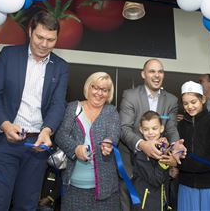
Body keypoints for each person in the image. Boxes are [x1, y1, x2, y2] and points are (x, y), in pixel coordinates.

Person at [0, 10, 69, 210]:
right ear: (30, 31)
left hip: (37, 146)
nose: (44, 44)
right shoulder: (8, 55)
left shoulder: (61, 67)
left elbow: (58, 104)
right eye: (40, 37)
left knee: (28, 205)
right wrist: (5, 125)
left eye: (50, 40)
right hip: (4, 141)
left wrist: (47, 131)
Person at [119, 58, 186, 211]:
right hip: (131, 167)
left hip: (159, 170)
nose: (157, 75)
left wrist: (176, 150)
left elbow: (171, 129)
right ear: (143, 74)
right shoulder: (130, 95)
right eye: (152, 71)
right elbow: (124, 128)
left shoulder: (171, 100)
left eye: (160, 71)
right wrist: (143, 145)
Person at [55, 72, 121, 211]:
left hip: (105, 192)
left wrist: (108, 143)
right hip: (73, 189)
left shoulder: (111, 111)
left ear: (109, 93)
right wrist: (75, 149)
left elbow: (114, 134)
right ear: (88, 88)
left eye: (104, 90)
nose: (99, 93)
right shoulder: (73, 107)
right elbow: (60, 135)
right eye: (95, 87)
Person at [177, 81, 210, 211]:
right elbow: (178, 153)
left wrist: (178, 164)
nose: (190, 106)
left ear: (203, 99)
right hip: (186, 185)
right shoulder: (180, 125)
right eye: (185, 103)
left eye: (193, 102)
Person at [132, 111, 175, 211]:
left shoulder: (162, 147)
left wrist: (167, 150)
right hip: (145, 205)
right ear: (141, 130)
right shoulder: (141, 154)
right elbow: (155, 180)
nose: (150, 132)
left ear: (162, 128)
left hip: (162, 203)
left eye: (154, 128)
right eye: (146, 129)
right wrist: (164, 161)